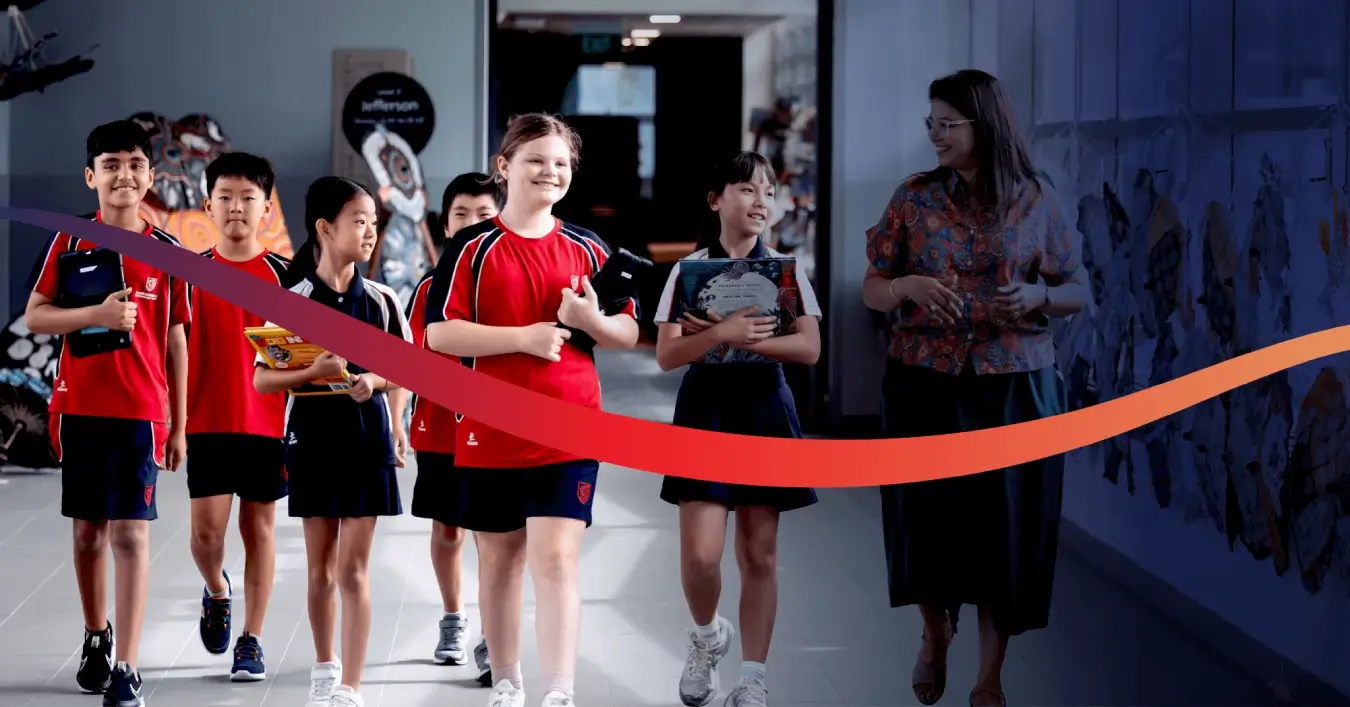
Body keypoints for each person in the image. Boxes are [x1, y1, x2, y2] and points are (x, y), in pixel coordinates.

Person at [860, 69, 1088, 707]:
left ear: (983, 124)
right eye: (930, 123)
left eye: (946, 124)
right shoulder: (913, 197)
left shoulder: (1035, 198)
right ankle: (935, 632)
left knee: (1003, 531)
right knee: (924, 521)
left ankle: (990, 676)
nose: (934, 134)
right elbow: (873, 286)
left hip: (1015, 386)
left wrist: (1040, 295)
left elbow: (1077, 289)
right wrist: (904, 287)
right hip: (923, 383)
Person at [425, 112, 640, 707]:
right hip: (489, 426)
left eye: (561, 163)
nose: (550, 171)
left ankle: (558, 691)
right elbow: (439, 334)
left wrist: (590, 320)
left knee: (557, 558)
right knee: (499, 562)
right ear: (505, 166)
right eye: (536, 160)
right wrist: (522, 338)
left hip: (570, 426)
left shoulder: (589, 248)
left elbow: (627, 331)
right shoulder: (471, 247)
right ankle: (506, 682)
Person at [25, 119, 191, 707]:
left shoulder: (168, 252)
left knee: (131, 533)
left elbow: (176, 341)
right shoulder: (69, 241)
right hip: (80, 407)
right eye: (111, 165)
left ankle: (128, 665)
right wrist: (94, 315)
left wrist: (180, 425)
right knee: (88, 532)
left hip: (141, 414)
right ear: (90, 176)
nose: (124, 175)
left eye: (135, 164)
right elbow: (36, 315)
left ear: (151, 176)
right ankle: (97, 635)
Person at [653, 151, 822, 707]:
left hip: (764, 409)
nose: (760, 202)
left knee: (760, 553)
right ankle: (707, 638)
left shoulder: (787, 271)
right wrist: (721, 333)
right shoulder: (688, 271)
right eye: (747, 189)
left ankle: (753, 679)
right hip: (704, 410)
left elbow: (809, 348)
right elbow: (667, 355)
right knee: (701, 555)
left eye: (768, 192)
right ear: (715, 199)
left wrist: (746, 340)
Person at [252, 176, 412, 707]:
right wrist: (312, 373)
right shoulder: (292, 300)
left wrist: (378, 386)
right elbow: (262, 379)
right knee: (320, 569)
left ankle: (352, 686)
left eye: (373, 223)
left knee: (354, 570)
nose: (370, 232)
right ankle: (325, 668)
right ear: (324, 228)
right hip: (313, 443)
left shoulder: (384, 301)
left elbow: (407, 370)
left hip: (367, 444)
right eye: (359, 221)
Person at [389, 172, 502, 682]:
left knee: (492, 536)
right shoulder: (428, 289)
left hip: (495, 427)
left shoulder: (506, 282)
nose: (472, 224)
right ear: (446, 224)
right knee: (447, 528)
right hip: (439, 427)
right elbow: (408, 361)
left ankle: (492, 634)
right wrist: (398, 421)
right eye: (461, 215)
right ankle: (454, 618)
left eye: (484, 216)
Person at [184, 151, 291, 681]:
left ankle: (252, 638)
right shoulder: (189, 274)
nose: (235, 207)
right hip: (204, 420)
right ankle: (217, 590)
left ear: (266, 208)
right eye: (224, 197)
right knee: (207, 536)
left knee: (260, 529)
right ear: (208, 205)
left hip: (266, 423)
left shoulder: (286, 277)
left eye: (248, 197)